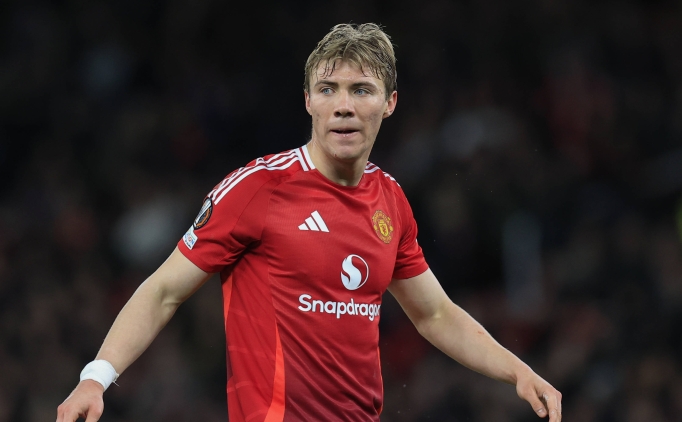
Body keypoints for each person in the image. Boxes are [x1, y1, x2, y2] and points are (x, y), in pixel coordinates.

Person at [56, 23, 562, 422]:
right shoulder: (258, 188)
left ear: (389, 103)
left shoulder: (391, 200)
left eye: (362, 90)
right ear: (308, 101)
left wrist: (517, 371)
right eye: (328, 89)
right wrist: (96, 377)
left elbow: (435, 315)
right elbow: (164, 290)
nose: (343, 106)